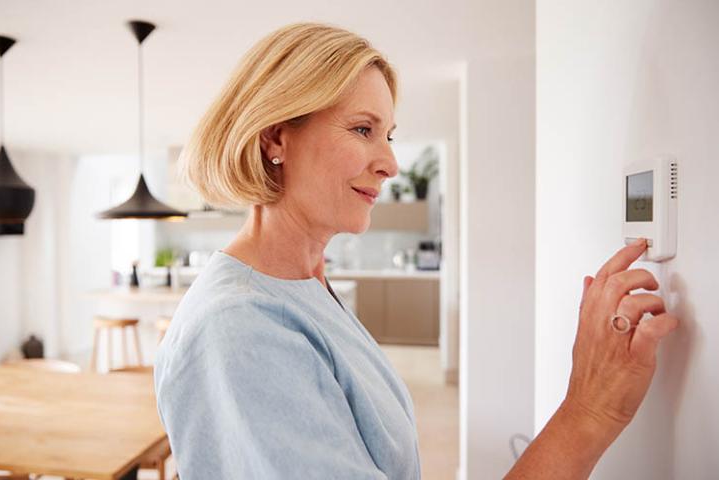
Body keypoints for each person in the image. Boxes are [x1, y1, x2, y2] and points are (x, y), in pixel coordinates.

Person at [153, 22, 678, 479]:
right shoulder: (241, 327)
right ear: (275, 139)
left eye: (389, 135)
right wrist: (587, 411)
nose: (390, 163)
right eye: (363, 129)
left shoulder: (305, 285)